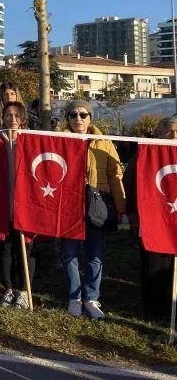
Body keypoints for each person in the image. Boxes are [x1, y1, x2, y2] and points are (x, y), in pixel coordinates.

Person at [60, 99, 125, 320]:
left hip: (97, 203)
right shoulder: (61, 141)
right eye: (73, 115)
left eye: (83, 114)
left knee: (95, 254)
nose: (78, 118)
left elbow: (116, 175)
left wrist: (120, 205)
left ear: (90, 117)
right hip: (69, 204)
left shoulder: (104, 142)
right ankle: (74, 297)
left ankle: (91, 297)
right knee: (70, 253)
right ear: (67, 119)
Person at [0, 102, 34, 309]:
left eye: (16, 115)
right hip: (3, 203)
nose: (12, 119)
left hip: (26, 203)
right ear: (2, 117)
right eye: (8, 115)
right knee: (5, 246)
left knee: (26, 249)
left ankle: (23, 290)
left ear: (22, 118)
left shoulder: (31, 141)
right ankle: (8, 288)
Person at [123, 116, 176, 317]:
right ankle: (155, 309)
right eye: (169, 131)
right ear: (159, 133)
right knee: (155, 265)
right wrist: (133, 214)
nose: (174, 135)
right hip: (154, 220)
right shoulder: (146, 156)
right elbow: (129, 184)